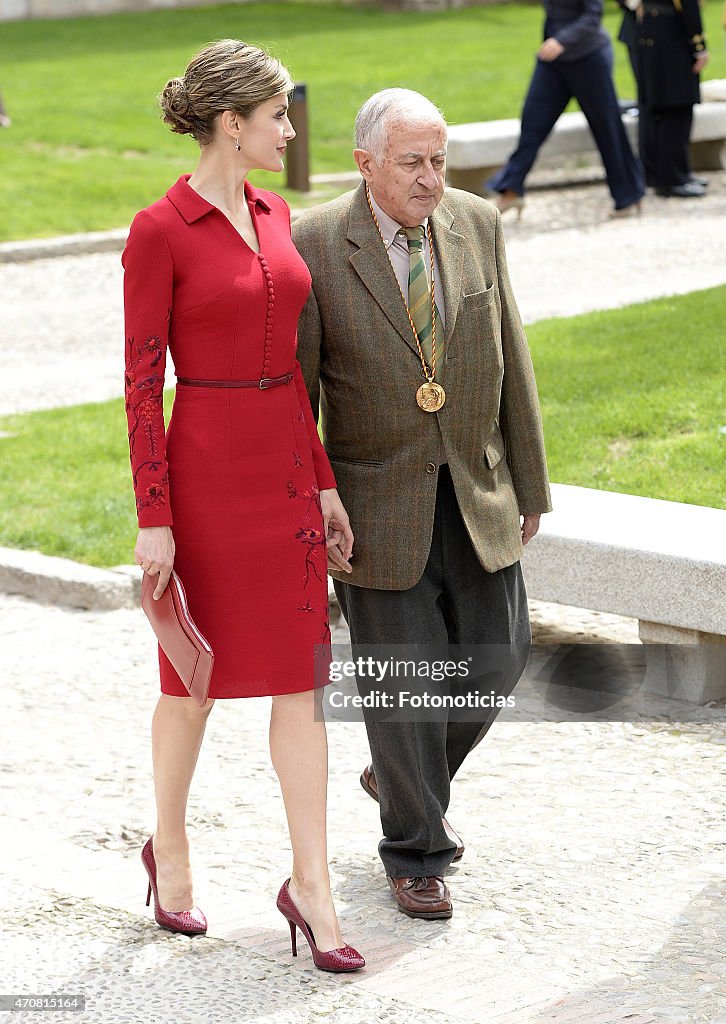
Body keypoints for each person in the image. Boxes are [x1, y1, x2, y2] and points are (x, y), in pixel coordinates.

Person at [122, 38, 363, 973]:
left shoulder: (277, 212)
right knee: (193, 680)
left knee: (304, 683)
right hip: (204, 476)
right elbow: (143, 383)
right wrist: (156, 513)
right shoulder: (159, 230)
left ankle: (313, 885)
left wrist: (326, 480)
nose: (290, 131)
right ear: (233, 123)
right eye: (278, 117)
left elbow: (290, 373)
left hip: (286, 480)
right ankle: (169, 850)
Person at [293, 89, 551, 920]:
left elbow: (512, 350)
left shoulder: (478, 222)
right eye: (413, 163)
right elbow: (298, 401)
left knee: (496, 662)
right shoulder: (315, 245)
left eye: (439, 161)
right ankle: (416, 851)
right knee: (404, 688)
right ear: (366, 163)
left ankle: (399, 775)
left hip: (477, 486)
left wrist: (531, 482)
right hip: (373, 506)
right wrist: (315, 499)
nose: (431, 179)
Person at [487, 0, 645, 218]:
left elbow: (593, 16)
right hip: (553, 61)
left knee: (607, 128)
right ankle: (512, 191)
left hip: (589, 57)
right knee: (532, 124)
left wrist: (562, 40)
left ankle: (629, 195)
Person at [632, 0, 710, 197]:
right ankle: (672, 179)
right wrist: (698, 45)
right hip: (672, 34)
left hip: (650, 29)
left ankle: (667, 173)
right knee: (677, 108)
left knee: (659, 108)